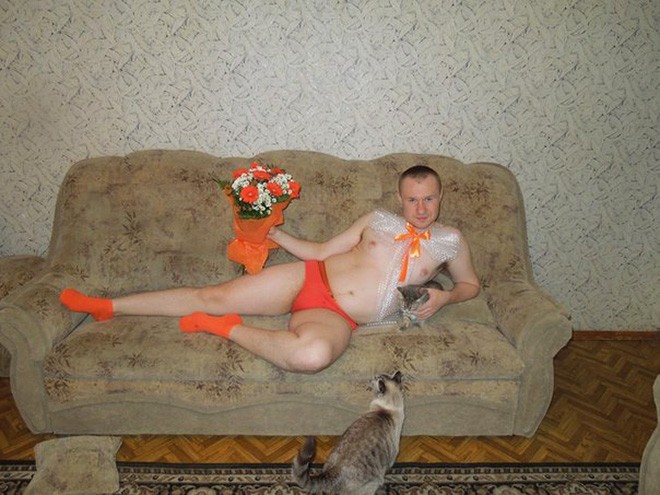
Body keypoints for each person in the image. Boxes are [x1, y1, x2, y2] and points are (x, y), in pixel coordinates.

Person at [60, 165, 480, 374]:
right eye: (412, 200)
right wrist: (275, 233)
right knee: (213, 294)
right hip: (310, 278)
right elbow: (320, 251)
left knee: (312, 356)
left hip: (336, 317)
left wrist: (445, 297)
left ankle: (223, 328)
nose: (421, 208)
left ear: (441, 197)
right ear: (400, 199)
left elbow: (470, 285)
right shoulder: (377, 220)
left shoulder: (450, 241)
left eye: (429, 199)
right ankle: (107, 306)